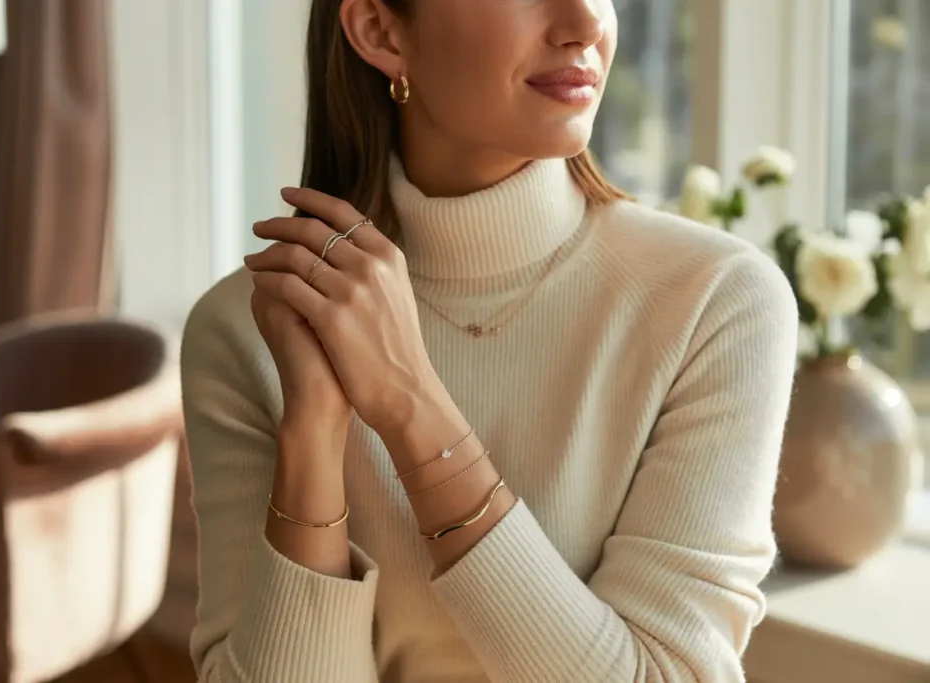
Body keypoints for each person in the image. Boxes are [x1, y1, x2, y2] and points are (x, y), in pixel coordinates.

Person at [180, 0, 799, 681]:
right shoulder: (249, 330)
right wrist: (313, 436)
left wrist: (408, 402)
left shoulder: (715, 303)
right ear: (380, 31)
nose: (586, 21)